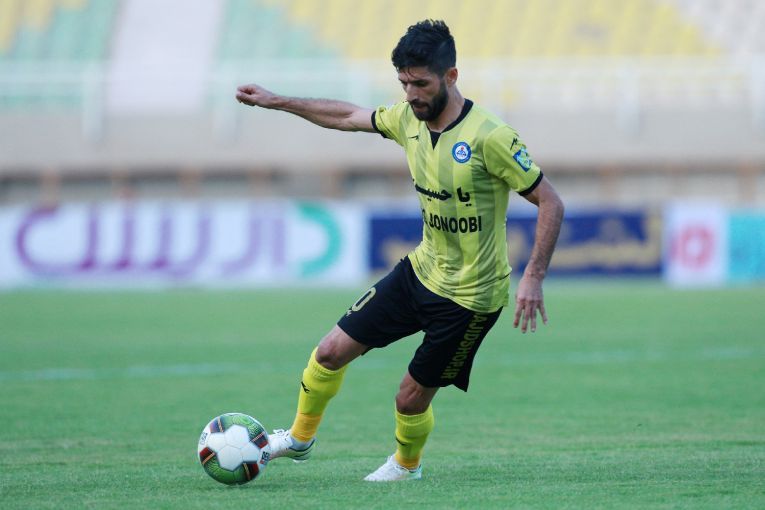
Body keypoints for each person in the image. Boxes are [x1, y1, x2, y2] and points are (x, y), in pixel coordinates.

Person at [235, 19, 564, 482]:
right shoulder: (407, 119)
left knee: (408, 398)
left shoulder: (491, 136)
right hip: (421, 271)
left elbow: (550, 201)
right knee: (329, 352)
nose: (411, 94)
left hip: (471, 298)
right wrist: (278, 101)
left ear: (451, 76)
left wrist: (534, 276)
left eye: (421, 83)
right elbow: (347, 116)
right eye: (404, 83)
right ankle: (300, 438)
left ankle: (407, 466)